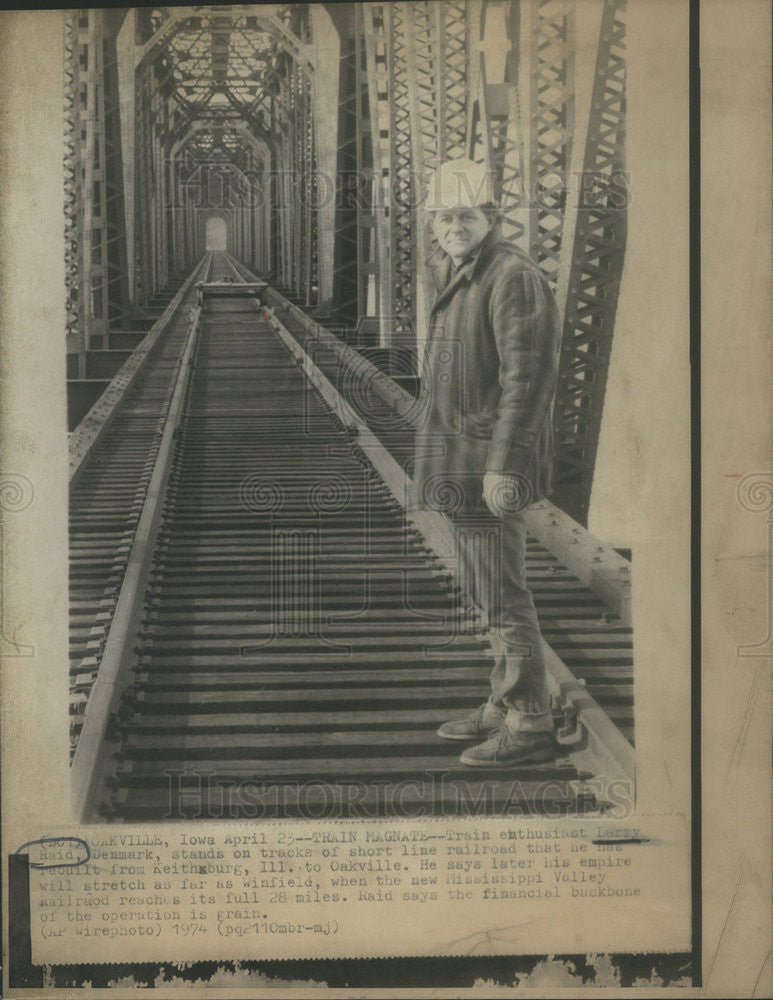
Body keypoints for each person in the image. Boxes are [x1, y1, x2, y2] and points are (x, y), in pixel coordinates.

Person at [413, 158, 561, 767]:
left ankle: (529, 723)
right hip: (459, 459)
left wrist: (504, 467)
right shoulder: (464, 268)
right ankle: (506, 701)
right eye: (443, 218)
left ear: (491, 218)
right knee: (486, 587)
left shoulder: (510, 276)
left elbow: (526, 381)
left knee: (502, 592)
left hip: (484, 466)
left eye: (465, 216)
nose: (453, 227)